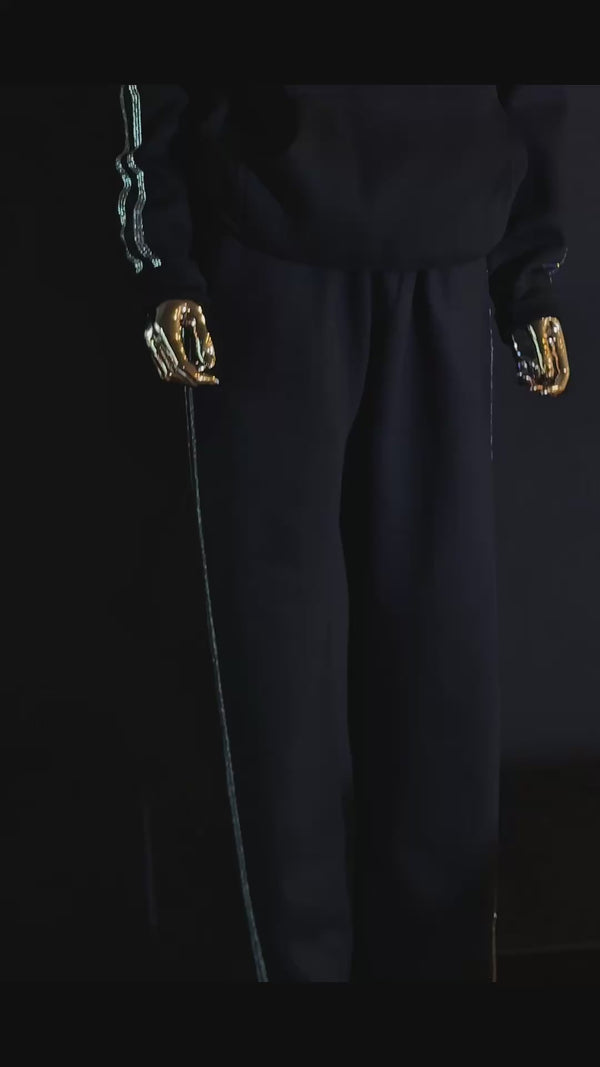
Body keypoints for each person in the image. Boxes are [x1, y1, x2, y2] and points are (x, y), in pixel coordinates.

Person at [114, 83, 570, 983]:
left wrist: (527, 265)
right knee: (278, 671)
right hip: (266, 244)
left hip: (445, 245)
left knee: (441, 668)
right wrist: (162, 257)